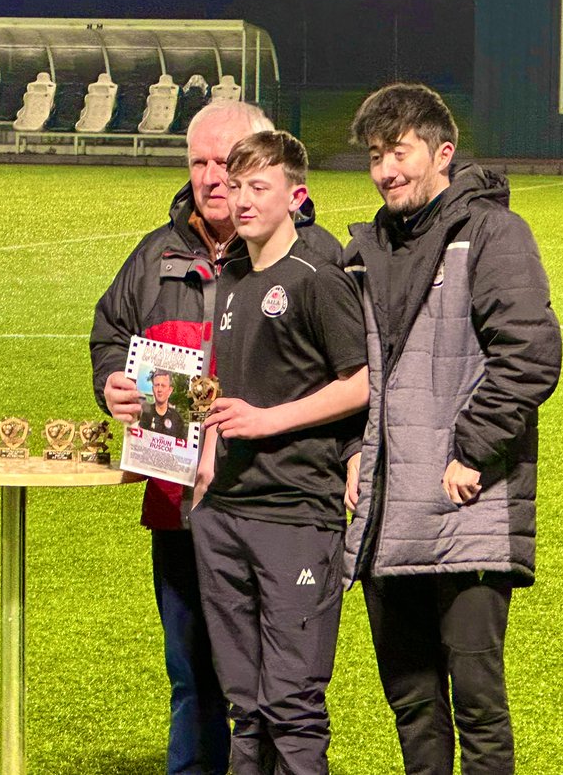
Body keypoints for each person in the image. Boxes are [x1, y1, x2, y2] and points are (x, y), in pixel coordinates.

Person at [90, 100, 343, 774]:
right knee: (193, 676)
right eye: (198, 162)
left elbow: (356, 376)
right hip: (179, 497)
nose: (211, 178)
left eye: (226, 164)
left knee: (281, 689)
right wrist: (113, 379)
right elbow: (111, 331)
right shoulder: (155, 254)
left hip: (280, 502)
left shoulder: (317, 260)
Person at [341, 83, 562, 774]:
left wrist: (472, 449)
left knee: (476, 702)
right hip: (389, 513)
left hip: (468, 509)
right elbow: (351, 371)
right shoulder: (366, 248)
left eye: (398, 152)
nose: (385, 171)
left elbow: (529, 353)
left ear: (443, 152)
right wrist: (352, 452)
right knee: (412, 704)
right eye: (375, 156)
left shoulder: (494, 234)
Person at [191, 131, 368, 775]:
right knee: (245, 707)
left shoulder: (319, 279)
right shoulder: (232, 279)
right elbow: (228, 382)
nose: (241, 200)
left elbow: (362, 382)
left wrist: (267, 422)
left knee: (292, 706)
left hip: (296, 514)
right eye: (236, 186)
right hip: (224, 515)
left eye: (258, 187)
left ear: (296, 196)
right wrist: (207, 460)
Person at [139, 370, 188, 440]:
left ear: (170, 390)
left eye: (163, 386)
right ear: (153, 389)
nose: (159, 389)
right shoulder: (146, 413)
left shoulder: (177, 419)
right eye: (157, 385)